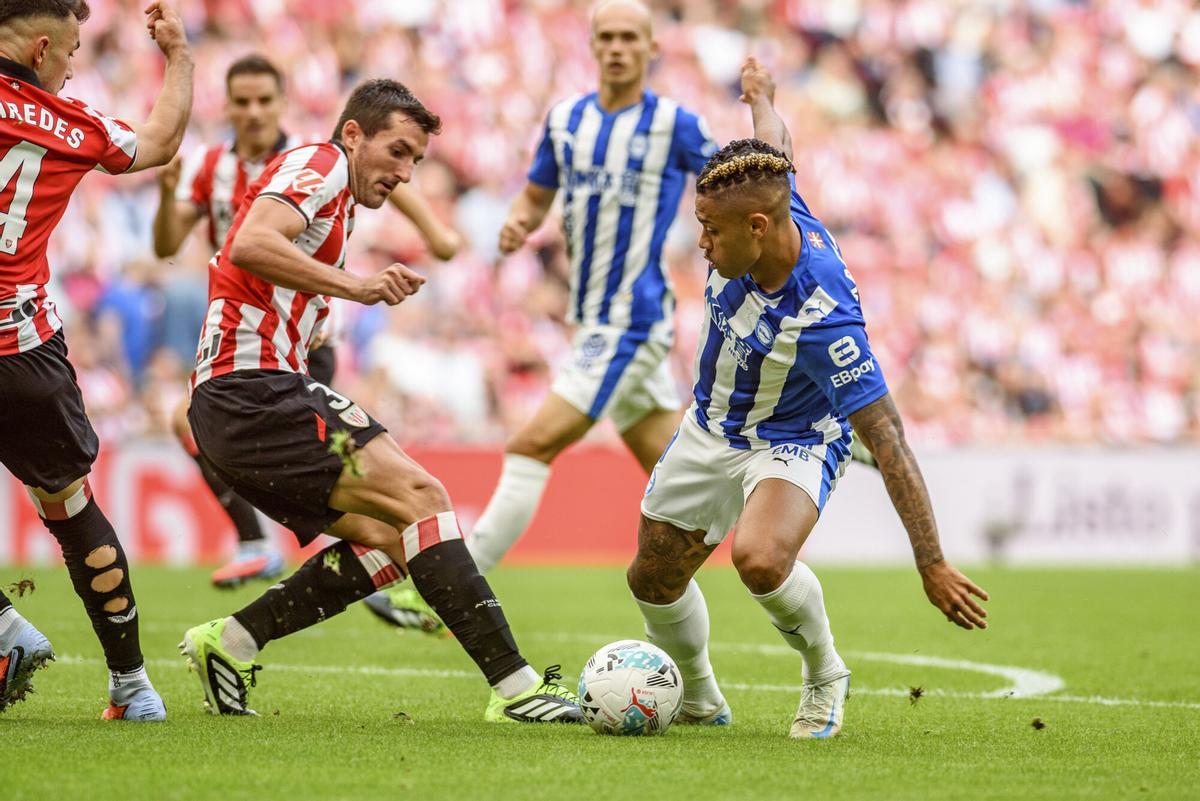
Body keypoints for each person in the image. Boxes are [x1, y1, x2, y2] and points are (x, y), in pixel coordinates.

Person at [178, 79, 582, 724]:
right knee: (424, 498)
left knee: (395, 537)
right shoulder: (319, 165)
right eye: (396, 152)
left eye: (416, 160)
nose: (404, 172)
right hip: (249, 390)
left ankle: (231, 643)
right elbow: (248, 244)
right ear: (353, 135)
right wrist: (358, 287)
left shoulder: (338, 209)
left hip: (244, 399)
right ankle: (520, 690)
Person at [624, 58, 990, 739]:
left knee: (759, 558)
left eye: (712, 231)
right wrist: (762, 97)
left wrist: (931, 560)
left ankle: (825, 673)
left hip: (797, 434)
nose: (702, 245)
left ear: (758, 228)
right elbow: (775, 146)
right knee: (651, 578)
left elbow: (888, 436)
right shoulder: (773, 197)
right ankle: (701, 696)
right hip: (712, 425)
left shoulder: (822, 316)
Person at [369, 1, 718, 629]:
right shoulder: (567, 121)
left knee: (532, 442)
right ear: (591, 45)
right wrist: (518, 223)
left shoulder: (676, 124)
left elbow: (725, 184)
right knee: (682, 473)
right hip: (590, 320)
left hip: (630, 319)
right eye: (605, 37)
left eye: (627, 38)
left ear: (650, 48)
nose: (615, 48)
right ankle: (773, 494)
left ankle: (443, 596)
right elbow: (536, 194)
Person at [152, 54, 462, 590]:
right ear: (226, 106)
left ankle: (345, 565)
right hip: (249, 339)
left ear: (281, 105)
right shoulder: (209, 169)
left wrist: (435, 234)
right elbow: (165, 246)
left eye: (264, 100)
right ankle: (357, 569)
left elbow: (393, 175)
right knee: (196, 426)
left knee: (351, 488)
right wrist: (164, 192)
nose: (253, 112)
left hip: (305, 341)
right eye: (242, 101)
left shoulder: (315, 160)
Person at [0, 0, 192, 720]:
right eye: (75, 51)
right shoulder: (72, 124)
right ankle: (134, 684)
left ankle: (6, 629)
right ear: (42, 48)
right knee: (71, 508)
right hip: (27, 349)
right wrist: (179, 55)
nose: (75, 63)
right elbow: (161, 139)